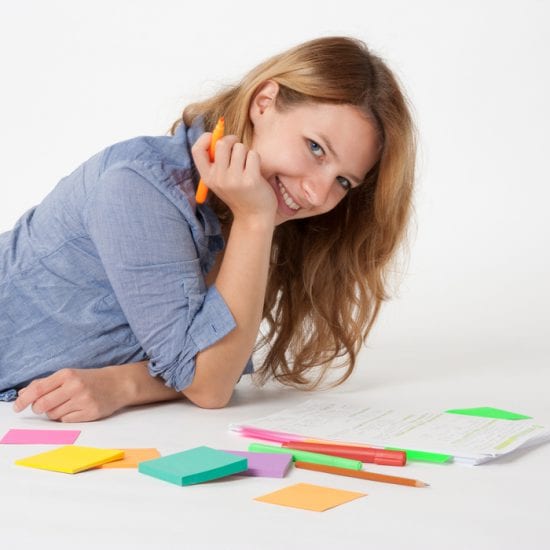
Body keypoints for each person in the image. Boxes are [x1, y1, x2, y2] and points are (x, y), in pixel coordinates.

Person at [0, 36, 415, 422]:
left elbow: (214, 366)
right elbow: (210, 383)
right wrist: (255, 221)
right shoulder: (140, 187)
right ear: (265, 103)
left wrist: (124, 384)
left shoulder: (249, 201)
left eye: (344, 181)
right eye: (315, 148)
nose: (317, 192)